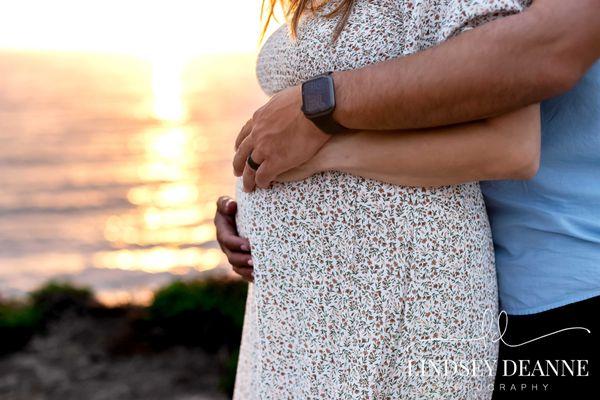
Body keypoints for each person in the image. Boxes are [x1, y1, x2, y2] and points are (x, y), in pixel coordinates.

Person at [216, 0, 600, 397]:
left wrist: (320, 139)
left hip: (555, 281)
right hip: (325, 306)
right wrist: (256, 204)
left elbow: (528, 101)